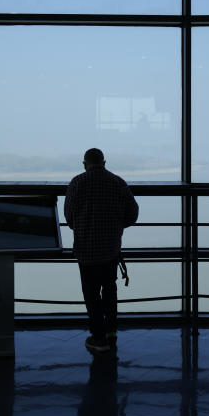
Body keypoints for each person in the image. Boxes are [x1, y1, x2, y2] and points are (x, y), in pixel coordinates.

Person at [64, 148, 139, 353]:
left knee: (91, 294)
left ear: (84, 164)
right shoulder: (118, 182)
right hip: (111, 249)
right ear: (104, 163)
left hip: (86, 251)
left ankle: (98, 337)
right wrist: (117, 225)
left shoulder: (76, 183)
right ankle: (111, 330)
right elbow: (133, 214)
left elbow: (69, 218)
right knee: (109, 288)